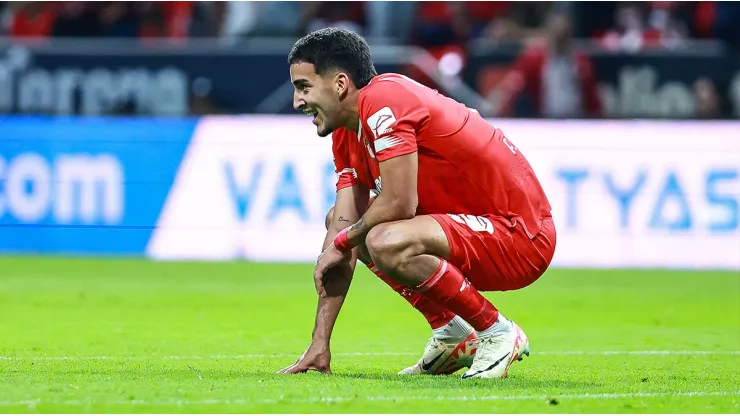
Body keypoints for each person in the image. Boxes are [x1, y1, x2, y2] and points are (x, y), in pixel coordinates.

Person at [279, 27, 556, 379]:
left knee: (383, 238)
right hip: (472, 230)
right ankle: (452, 331)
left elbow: (399, 204)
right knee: (347, 223)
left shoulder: (385, 101)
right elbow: (342, 222)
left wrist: (343, 240)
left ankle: (496, 331)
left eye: (303, 87)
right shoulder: (348, 131)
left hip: (522, 235)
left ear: (339, 84)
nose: (296, 102)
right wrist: (320, 343)